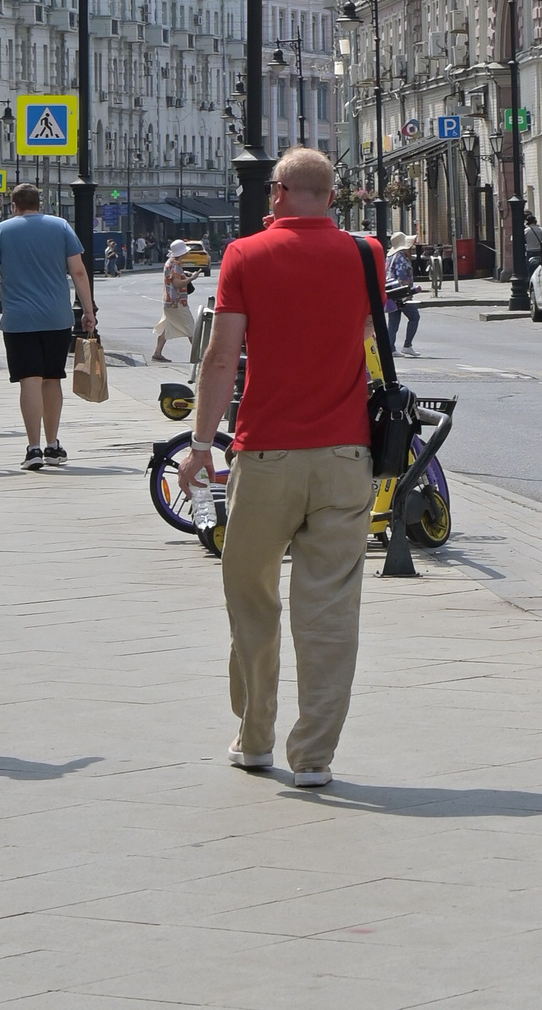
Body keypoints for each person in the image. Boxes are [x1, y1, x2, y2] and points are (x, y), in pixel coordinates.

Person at [187, 150, 376, 789]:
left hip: (265, 455)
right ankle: (315, 756)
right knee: (330, 609)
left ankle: (255, 736)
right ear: (332, 196)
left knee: (252, 596)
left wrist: (200, 443)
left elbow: (220, 359)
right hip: (347, 456)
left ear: (276, 193)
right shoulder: (365, 254)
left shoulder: (244, 255)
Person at [0, 184, 95, 470]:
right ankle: (53, 446)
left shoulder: (3, 231)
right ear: (39, 203)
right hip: (57, 317)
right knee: (52, 379)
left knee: (29, 380)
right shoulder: (61, 226)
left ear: (13, 205)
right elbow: (78, 270)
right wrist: (88, 310)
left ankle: (33, 449)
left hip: (19, 320)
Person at [153, 243, 199, 363]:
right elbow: (177, 284)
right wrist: (192, 278)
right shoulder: (176, 264)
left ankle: (157, 353)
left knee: (167, 326)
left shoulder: (170, 262)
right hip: (177, 301)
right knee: (190, 326)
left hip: (169, 300)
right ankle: (198, 355)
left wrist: (184, 275)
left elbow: (173, 278)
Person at [384, 235, 422, 357]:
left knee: (393, 321)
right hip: (401, 293)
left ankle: (390, 347)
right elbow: (402, 277)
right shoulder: (400, 258)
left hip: (391, 292)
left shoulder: (390, 257)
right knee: (414, 317)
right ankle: (407, 345)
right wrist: (409, 293)